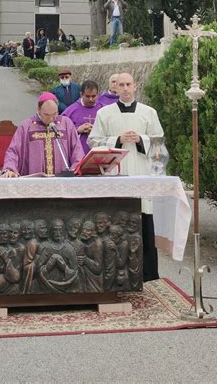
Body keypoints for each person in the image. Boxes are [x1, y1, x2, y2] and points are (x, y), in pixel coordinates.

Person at [88, 72, 165, 281]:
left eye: (128, 84)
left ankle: (148, 274)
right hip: (116, 172)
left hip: (142, 171)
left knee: (144, 222)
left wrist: (141, 139)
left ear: (135, 85)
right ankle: (113, 273)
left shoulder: (149, 112)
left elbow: (159, 142)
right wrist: (117, 140)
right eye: (121, 85)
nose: (125, 88)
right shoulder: (105, 113)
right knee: (116, 224)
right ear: (115, 88)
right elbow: (93, 142)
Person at [1, 92, 84, 177]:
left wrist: (75, 169)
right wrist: (10, 169)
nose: (51, 118)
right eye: (47, 115)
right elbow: (13, 151)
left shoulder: (66, 124)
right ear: (38, 110)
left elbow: (77, 150)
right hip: (34, 183)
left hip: (62, 181)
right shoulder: (26, 126)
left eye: (55, 114)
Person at [63, 80, 102, 154]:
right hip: (78, 153)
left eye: (93, 96)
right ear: (81, 94)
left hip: (99, 152)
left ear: (98, 94)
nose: (91, 99)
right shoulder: (70, 111)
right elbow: (60, 131)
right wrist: (77, 130)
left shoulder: (103, 109)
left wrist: (95, 129)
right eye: (87, 96)